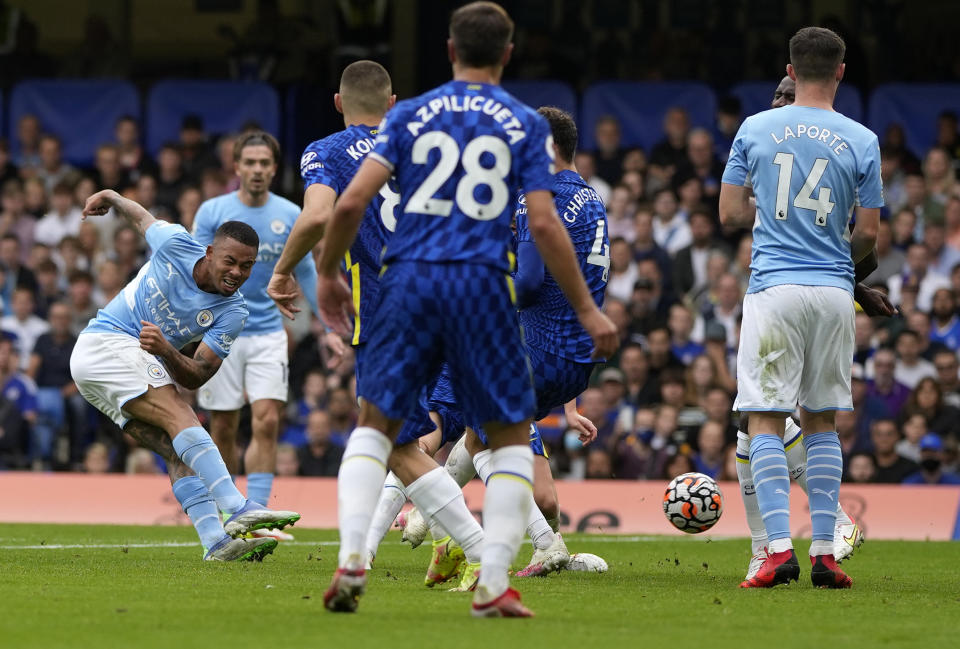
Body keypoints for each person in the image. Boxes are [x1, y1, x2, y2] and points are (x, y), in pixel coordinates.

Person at [310, 2, 617, 617]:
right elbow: (547, 228)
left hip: (410, 286)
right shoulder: (526, 126)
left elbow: (346, 208)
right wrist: (587, 309)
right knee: (502, 438)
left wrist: (325, 274)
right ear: (507, 54)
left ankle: (351, 564)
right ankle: (493, 581)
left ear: (450, 50)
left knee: (377, 427)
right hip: (479, 289)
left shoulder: (411, 115)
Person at [269, 60, 492, 598]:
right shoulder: (425, 146)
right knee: (398, 439)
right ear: (392, 102)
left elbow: (320, 215)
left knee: (385, 439)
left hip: (391, 312)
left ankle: (480, 551)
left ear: (338, 102)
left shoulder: (325, 152)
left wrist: (284, 270)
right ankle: (441, 550)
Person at [719, 27, 882, 589]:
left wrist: (775, 212)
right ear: (841, 71)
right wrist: (837, 251)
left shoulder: (755, 128)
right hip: (835, 292)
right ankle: (825, 554)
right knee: (821, 421)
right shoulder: (862, 138)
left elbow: (730, 214)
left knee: (763, 417)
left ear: (791, 68)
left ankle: (776, 551)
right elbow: (868, 235)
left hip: (775, 287)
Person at [69, 188, 299, 561]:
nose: (236, 273)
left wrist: (166, 349)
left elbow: (198, 374)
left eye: (246, 266)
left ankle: (216, 541)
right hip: (104, 342)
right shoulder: (176, 243)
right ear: (209, 252)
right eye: (229, 261)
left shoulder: (234, 312)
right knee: (182, 416)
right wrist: (111, 195)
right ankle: (238, 507)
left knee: (177, 449)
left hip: (107, 368)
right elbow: (142, 217)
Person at [192, 130, 333, 542]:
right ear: (236, 167)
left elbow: (305, 270)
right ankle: (229, 513)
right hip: (220, 330)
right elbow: (196, 271)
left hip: (269, 330)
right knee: (224, 426)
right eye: (249, 162)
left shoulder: (290, 214)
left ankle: (256, 518)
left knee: (268, 420)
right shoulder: (211, 211)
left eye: (264, 163)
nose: (256, 170)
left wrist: (329, 324)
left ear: (274, 169)